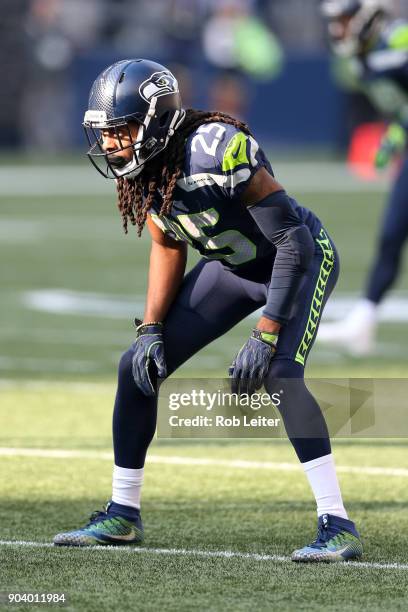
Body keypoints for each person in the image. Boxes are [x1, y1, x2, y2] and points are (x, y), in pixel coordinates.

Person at [53, 58, 363, 562]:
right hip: (233, 269)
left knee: (281, 375)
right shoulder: (142, 169)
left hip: (296, 260)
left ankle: (337, 523)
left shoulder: (213, 148)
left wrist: (266, 331)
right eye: (105, 132)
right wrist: (151, 327)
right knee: (136, 366)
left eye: (121, 130)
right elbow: (168, 245)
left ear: (154, 122)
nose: (111, 143)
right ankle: (122, 513)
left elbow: (293, 239)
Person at [318, 0, 408, 355]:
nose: (337, 29)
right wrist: (396, 136)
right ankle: (363, 321)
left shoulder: (400, 39)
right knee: (391, 233)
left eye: (343, 20)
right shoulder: (359, 59)